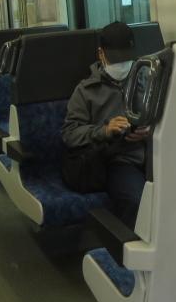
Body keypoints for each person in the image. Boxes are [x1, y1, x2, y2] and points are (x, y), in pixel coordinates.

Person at [60, 21, 149, 228]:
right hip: (120, 160)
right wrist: (105, 131)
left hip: (153, 153)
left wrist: (150, 130)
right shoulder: (86, 91)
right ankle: (127, 245)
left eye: (126, 58)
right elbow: (70, 133)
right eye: (116, 59)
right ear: (101, 54)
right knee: (136, 201)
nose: (122, 65)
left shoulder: (146, 79)